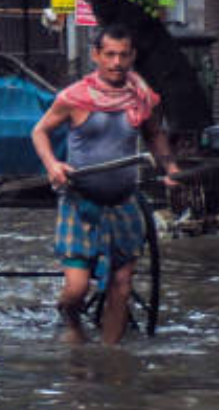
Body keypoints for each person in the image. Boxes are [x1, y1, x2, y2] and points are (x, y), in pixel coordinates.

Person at [32, 23, 179, 346]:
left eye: (123, 55)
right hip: (80, 202)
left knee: (122, 285)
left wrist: (169, 167)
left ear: (132, 57)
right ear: (96, 55)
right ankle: (71, 319)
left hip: (124, 202)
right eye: (109, 55)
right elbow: (39, 132)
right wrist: (52, 164)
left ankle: (112, 361)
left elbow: (154, 134)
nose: (116, 63)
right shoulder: (75, 97)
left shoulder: (141, 98)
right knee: (76, 290)